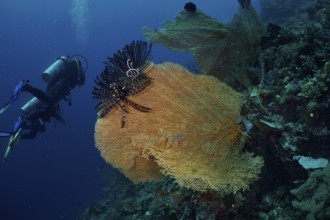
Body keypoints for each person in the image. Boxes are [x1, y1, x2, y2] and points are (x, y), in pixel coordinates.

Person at [0, 55, 87, 162]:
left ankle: (20, 129)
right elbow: (80, 80)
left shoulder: (71, 72)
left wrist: (60, 118)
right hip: (58, 86)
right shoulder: (76, 72)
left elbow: (55, 106)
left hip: (55, 88)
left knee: (34, 133)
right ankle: (26, 88)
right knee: (49, 100)